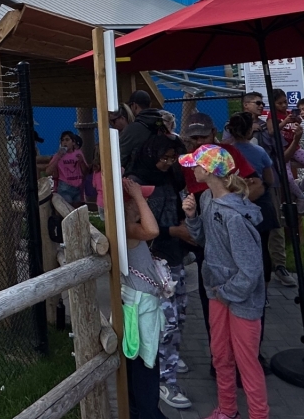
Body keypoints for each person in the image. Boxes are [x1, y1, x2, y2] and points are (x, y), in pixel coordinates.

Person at [181, 145, 268, 419]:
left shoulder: (233, 216)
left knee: (247, 362)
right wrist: (192, 218)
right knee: (220, 355)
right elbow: (205, 240)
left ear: (208, 171)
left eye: (195, 164)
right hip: (218, 293)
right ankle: (227, 410)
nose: (191, 169)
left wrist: (226, 291)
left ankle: (259, 415)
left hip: (240, 300)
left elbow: (251, 270)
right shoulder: (206, 198)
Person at [132, 134, 193, 410]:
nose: (167, 163)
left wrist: (185, 224)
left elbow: (174, 206)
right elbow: (146, 227)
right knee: (164, 323)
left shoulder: (170, 176)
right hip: (154, 261)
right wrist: (173, 231)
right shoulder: (138, 181)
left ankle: (170, 358)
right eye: (164, 158)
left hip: (175, 256)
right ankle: (165, 379)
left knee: (178, 316)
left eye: (172, 158)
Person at [228, 95, 295, 289]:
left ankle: (242, 282)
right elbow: (269, 177)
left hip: (236, 199)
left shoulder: (227, 151)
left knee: (241, 244)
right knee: (263, 243)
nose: (260, 106)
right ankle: (263, 287)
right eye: (257, 103)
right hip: (261, 200)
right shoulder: (258, 152)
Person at [120, 176, 168, 419]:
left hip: (140, 305)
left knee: (141, 365)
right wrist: (137, 197)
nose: (145, 203)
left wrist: (136, 198)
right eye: (141, 200)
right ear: (127, 204)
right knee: (146, 366)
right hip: (140, 310)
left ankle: (143, 411)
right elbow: (152, 230)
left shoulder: (125, 228)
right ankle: (148, 413)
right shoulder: (127, 230)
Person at [271, 89, 304, 206]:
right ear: (273, 104)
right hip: (283, 151)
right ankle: (301, 196)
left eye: (285, 102)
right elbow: (271, 131)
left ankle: (300, 187)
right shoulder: (273, 115)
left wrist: (297, 122)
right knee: (288, 178)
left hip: (295, 148)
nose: (284, 105)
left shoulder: (290, 113)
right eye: (280, 103)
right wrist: (285, 122)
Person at [120, 90, 165, 177]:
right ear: (150, 104)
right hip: (161, 175)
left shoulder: (133, 129)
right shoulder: (162, 125)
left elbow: (121, 156)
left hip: (139, 178)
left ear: (134, 106)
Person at [46, 131, 89, 207]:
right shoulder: (58, 155)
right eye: (62, 140)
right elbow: (48, 172)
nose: (64, 142)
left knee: (77, 209)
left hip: (78, 187)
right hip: (64, 187)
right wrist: (58, 157)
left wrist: (82, 162)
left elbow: (85, 171)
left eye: (67, 140)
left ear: (73, 142)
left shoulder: (78, 153)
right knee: (68, 208)